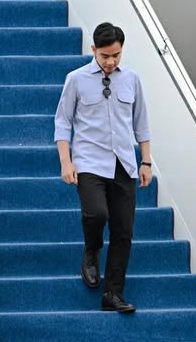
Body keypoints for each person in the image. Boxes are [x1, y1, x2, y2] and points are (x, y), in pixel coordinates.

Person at [55, 22, 152, 314]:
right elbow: (62, 121)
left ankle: (113, 293)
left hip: (124, 163)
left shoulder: (132, 79)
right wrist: (66, 161)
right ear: (93, 50)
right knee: (97, 214)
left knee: (123, 232)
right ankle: (92, 249)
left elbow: (141, 123)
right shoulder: (76, 79)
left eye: (117, 56)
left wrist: (145, 161)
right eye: (105, 56)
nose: (111, 62)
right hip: (89, 161)